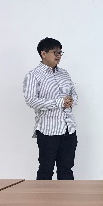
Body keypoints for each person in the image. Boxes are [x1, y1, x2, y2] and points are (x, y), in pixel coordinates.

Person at [23, 37, 78, 180]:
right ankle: (43, 196)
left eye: (60, 52)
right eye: (55, 52)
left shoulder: (64, 73)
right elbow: (31, 101)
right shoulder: (33, 75)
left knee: (66, 170)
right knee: (46, 170)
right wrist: (59, 102)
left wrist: (72, 100)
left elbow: (74, 93)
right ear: (43, 53)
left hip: (68, 129)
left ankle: (66, 196)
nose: (58, 56)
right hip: (48, 131)